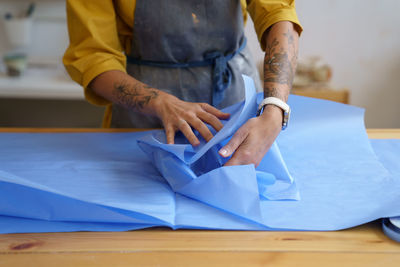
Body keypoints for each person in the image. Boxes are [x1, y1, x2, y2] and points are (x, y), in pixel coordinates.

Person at [63, 0, 302, 167]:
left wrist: (274, 109)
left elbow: (279, 15)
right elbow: (93, 57)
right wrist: (159, 102)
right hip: (142, 117)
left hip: (234, 99)